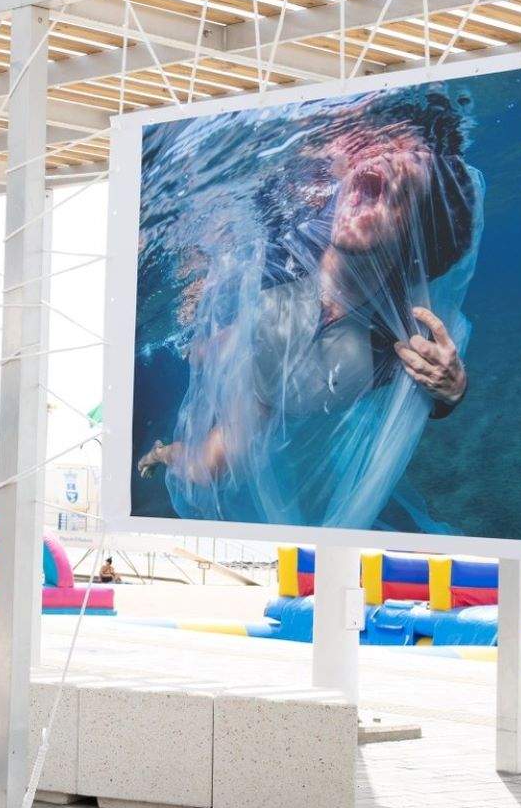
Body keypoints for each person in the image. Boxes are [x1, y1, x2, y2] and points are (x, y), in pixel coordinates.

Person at [135, 88, 481, 530]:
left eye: (404, 173)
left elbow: (422, 394)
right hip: (248, 352)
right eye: (372, 155)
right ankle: (177, 419)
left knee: (207, 469)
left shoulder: (402, 323)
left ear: (419, 227)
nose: (380, 161)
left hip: (265, 397)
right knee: (204, 354)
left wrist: (452, 392)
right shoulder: (278, 245)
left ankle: (165, 451)